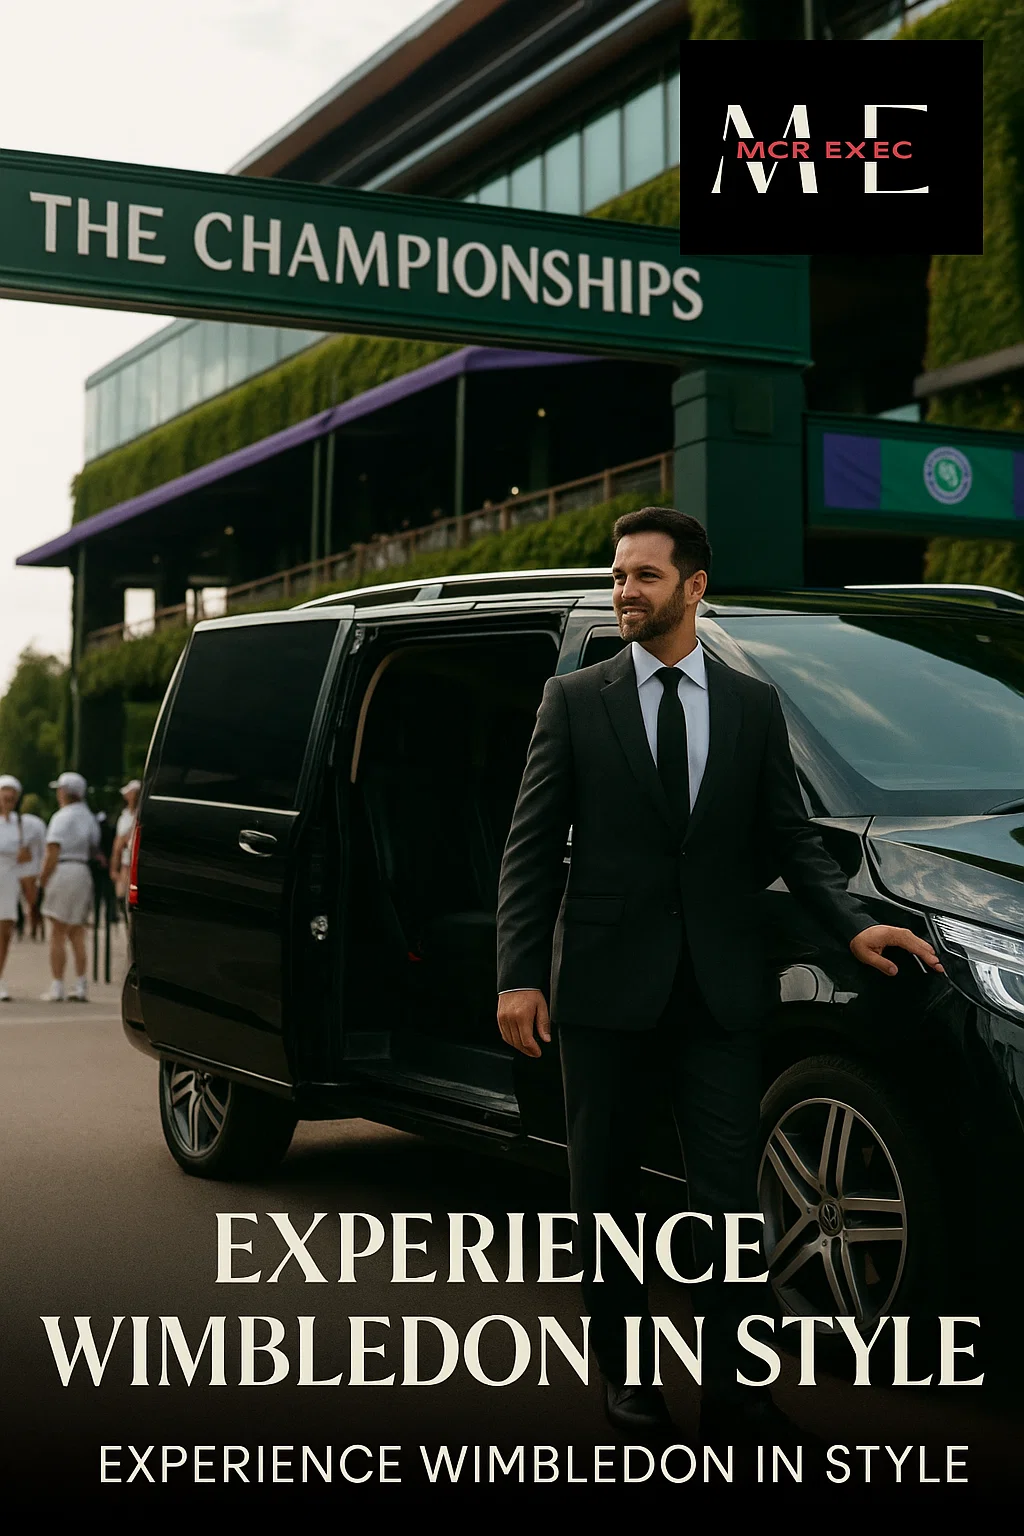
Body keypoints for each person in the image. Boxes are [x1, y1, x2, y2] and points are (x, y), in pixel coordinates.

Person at [495, 506, 944, 1444]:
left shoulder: (752, 706)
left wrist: (854, 931)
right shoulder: (574, 700)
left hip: (719, 989)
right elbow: (529, 850)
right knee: (607, 1196)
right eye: (618, 575)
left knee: (728, 1203)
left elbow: (789, 838)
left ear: (693, 587)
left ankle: (738, 1391)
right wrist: (518, 976)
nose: (624, 591)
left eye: (644, 577)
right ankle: (628, 1383)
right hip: (605, 991)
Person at [38, 770, 102, 1003]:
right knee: (77, 932)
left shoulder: (61, 817)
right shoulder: (89, 817)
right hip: (82, 871)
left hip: (63, 870)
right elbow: (95, 847)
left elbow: (52, 851)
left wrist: (43, 879)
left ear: (65, 792)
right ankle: (81, 984)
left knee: (57, 931)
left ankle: (57, 985)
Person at [0, 775, 46, 1001]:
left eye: (11, 793)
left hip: (8, 883)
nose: (7, 797)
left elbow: (36, 856)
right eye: (4, 792)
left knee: (4, 934)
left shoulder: (25, 825)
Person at [110, 779, 140, 903]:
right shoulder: (124, 816)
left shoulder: (139, 815)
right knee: (122, 897)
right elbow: (118, 844)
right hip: (125, 863)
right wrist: (114, 868)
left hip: (134, 863)